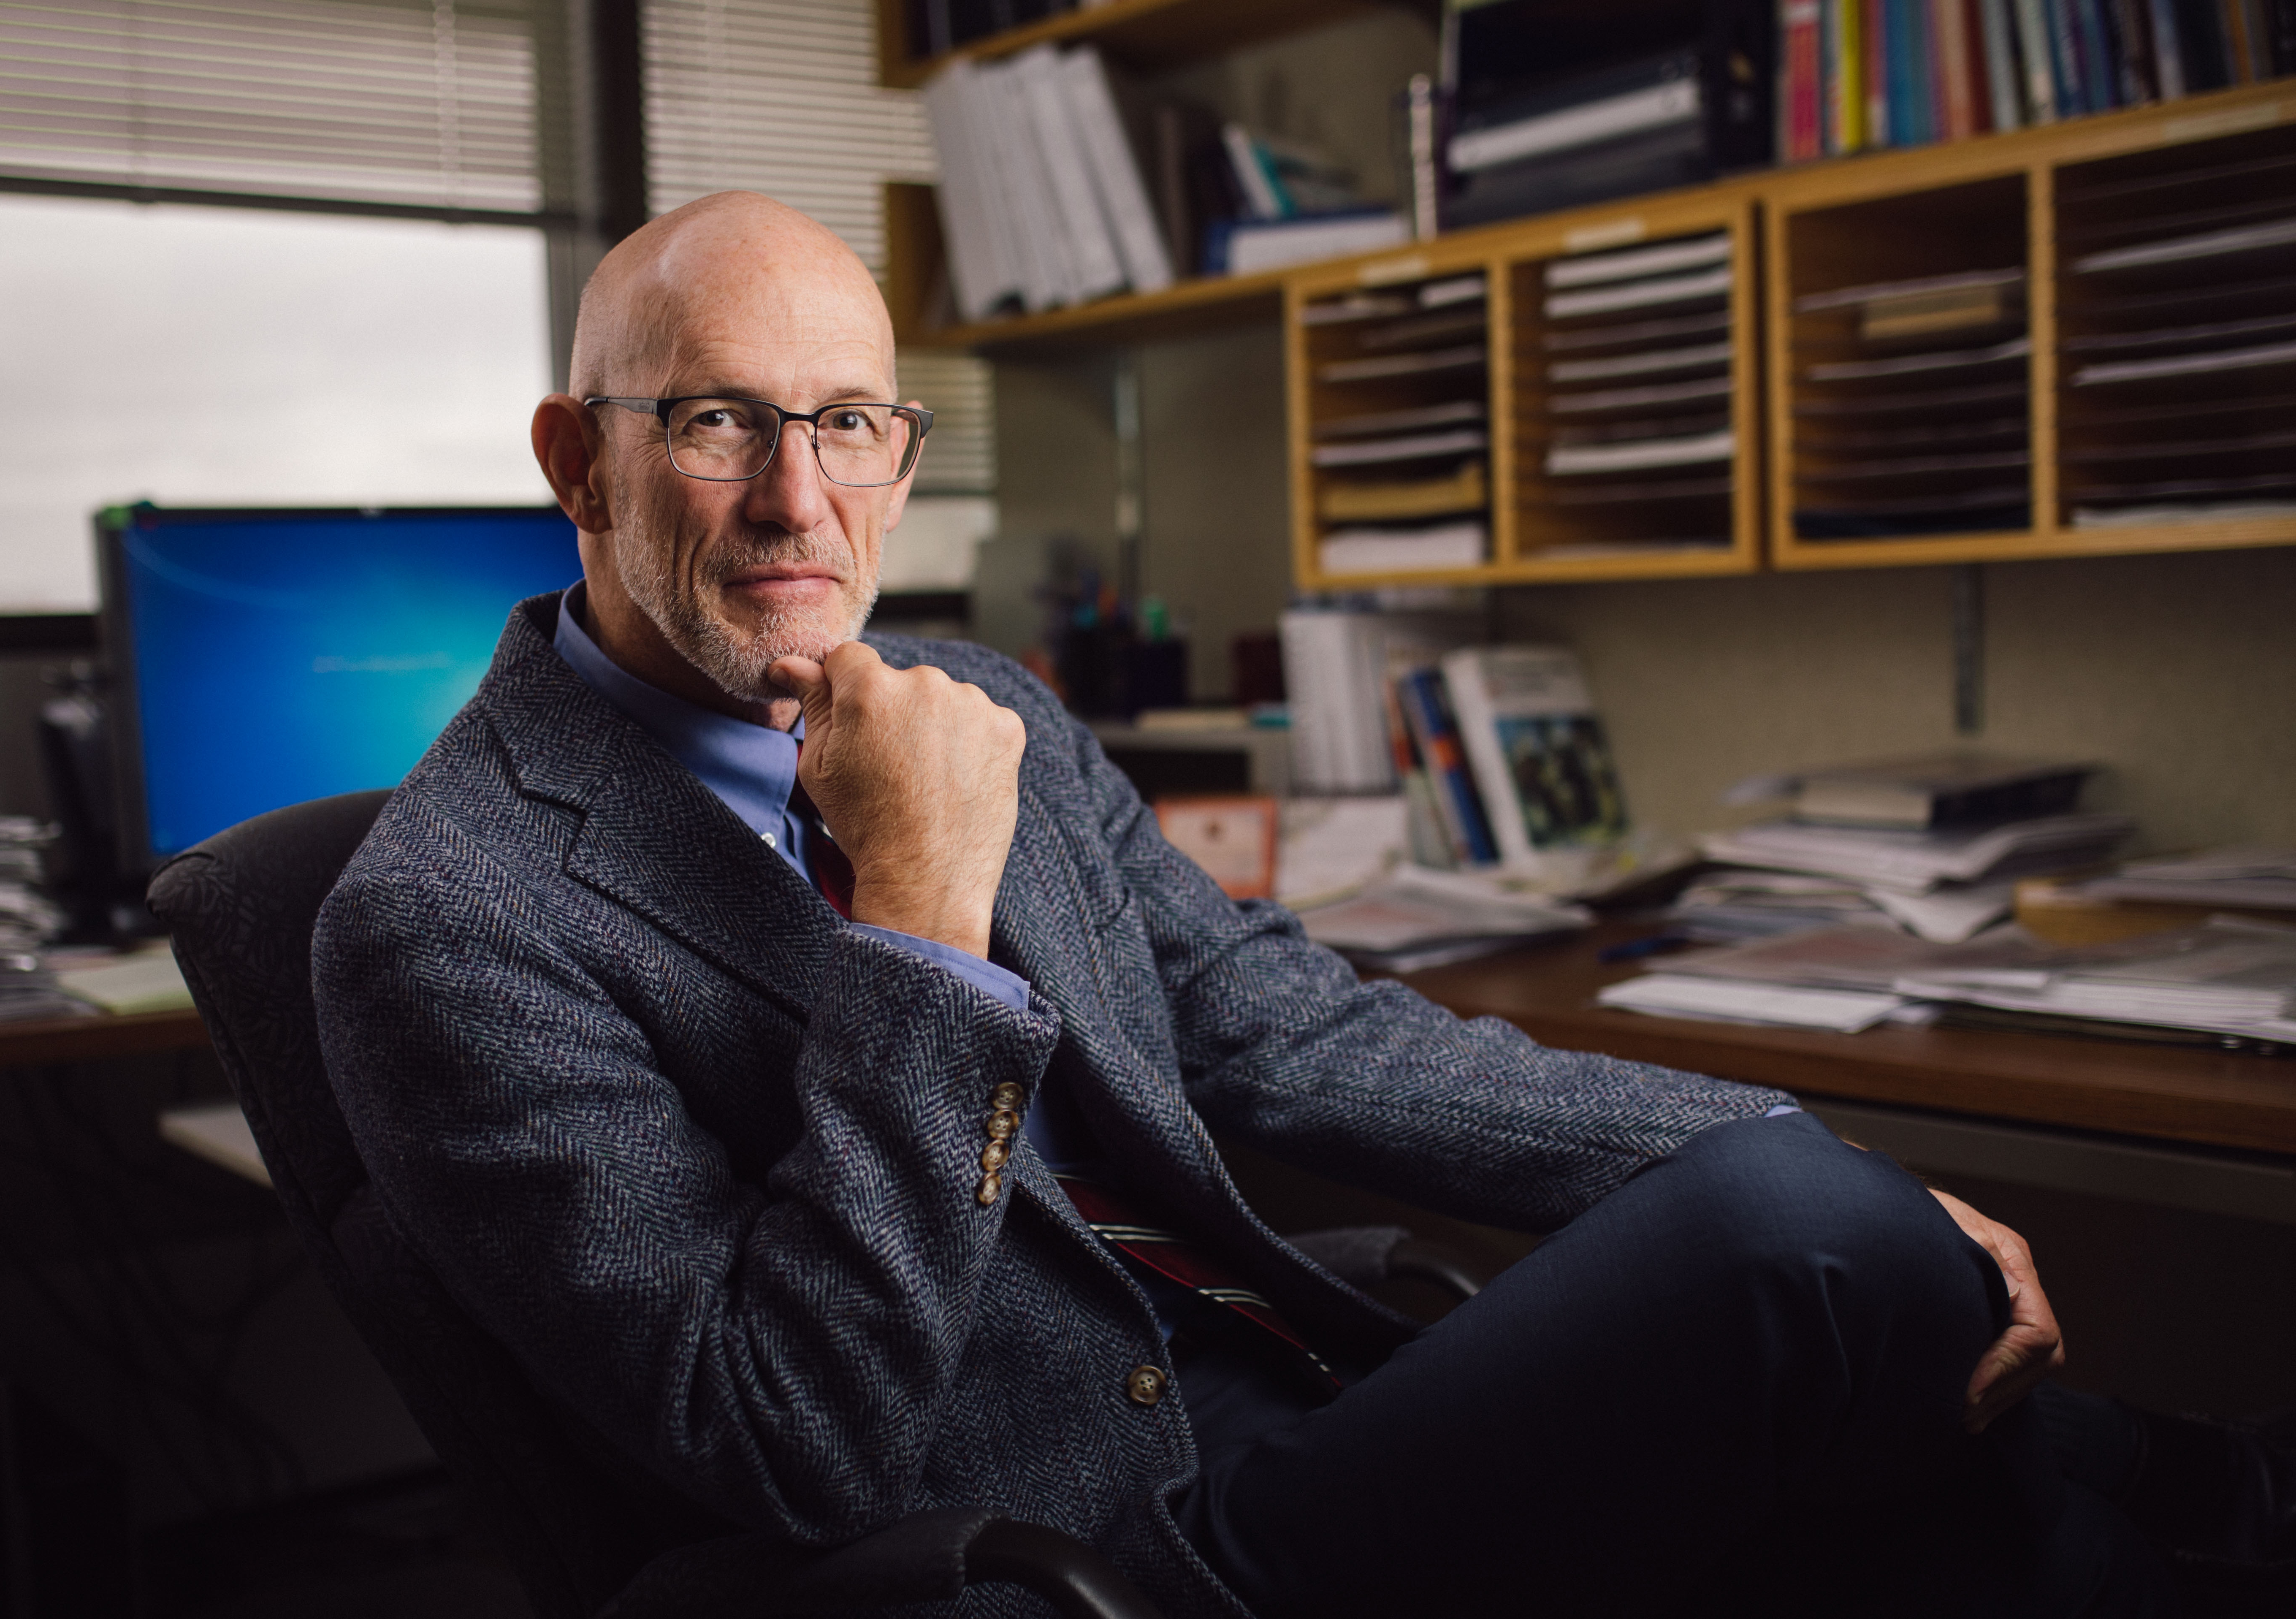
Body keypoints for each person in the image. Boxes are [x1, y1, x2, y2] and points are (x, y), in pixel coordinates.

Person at [313, 193, 2278, 1618]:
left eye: (849, 423)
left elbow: (1297, 1034)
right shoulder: (447, 913)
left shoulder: (977, 705)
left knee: (1857, 1394)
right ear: (580, 462)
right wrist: (914, 915)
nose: (795, 498)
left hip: (1305, 1405)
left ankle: (2123, 1495)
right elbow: (785, 1440)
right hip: (1069, 1550)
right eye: (719, 418)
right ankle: (2162, 1480)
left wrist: (1785, 1147)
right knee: (1800, 1266)